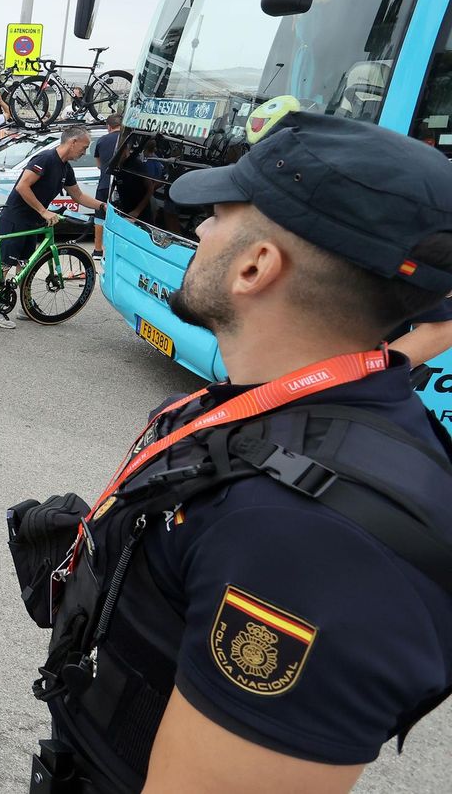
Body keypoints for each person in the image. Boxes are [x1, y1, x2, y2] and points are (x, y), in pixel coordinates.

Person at [24, 111, 452, 794]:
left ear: (256, 266)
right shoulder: (320, 398)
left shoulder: (305, 544)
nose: (197, 230)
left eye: (218, 215)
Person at [0, 126, 101, 330]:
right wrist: (43, 211)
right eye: (84, 147)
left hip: (32, 221)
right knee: (4, 265)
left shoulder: (65, 168)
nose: (84, 152)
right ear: (73, 142)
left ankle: (25, 305)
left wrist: (103, 207)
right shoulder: (45, 159)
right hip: (16, 218)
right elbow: (22, 186)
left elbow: (78, 196)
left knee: (24, 266)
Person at [91, 112, 124, 262]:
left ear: (108, 126)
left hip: (104, 183)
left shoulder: (102, 140)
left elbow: (98, 164)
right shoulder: (127, 139)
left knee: (99, 216)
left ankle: (98, 250)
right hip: (124, 184)